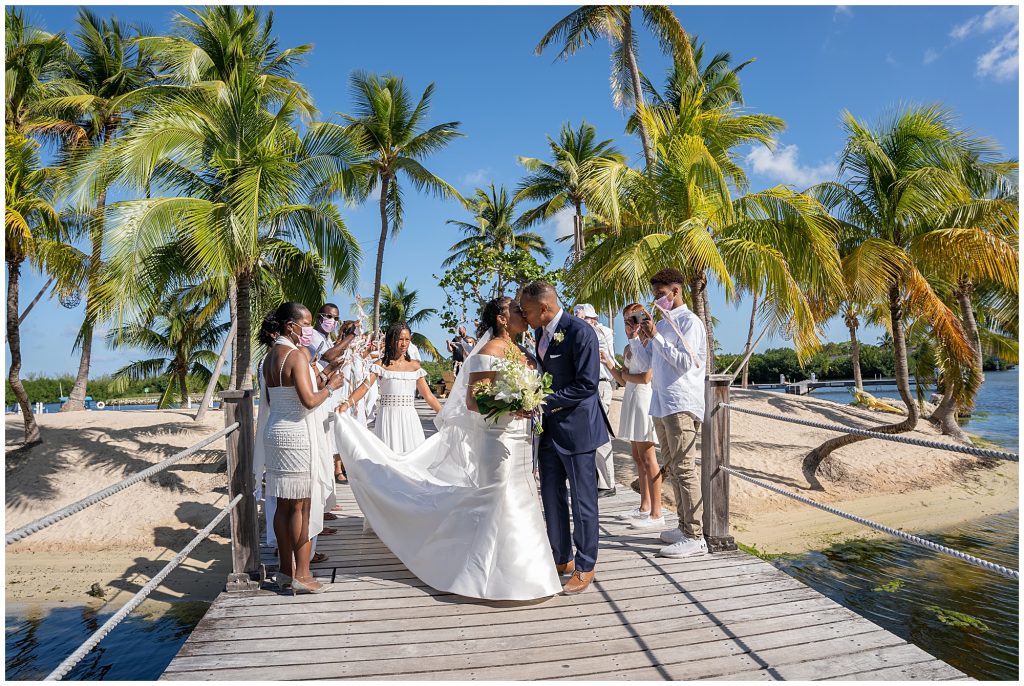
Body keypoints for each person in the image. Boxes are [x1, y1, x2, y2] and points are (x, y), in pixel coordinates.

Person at [331, 297, 562, 600]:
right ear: (501, 319)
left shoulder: (524, 352)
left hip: (521, 438)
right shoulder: (488, 352)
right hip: (497, 437)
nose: (523, 313)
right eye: (516, 310)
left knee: (522, 495)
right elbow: (473, 400)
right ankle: (476, 571)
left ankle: (528, 573)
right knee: (498, 495)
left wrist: (530, 402)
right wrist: (514, 404)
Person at [520, 282, 610, 595]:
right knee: (552, 496)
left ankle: (586, 565)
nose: (524, 316)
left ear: (543, 308)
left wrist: (540, 401)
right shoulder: (540, 332)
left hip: (578, 430)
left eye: (527, 311)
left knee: (583, 500)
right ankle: (561, 557)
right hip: (549, 431)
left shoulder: (580, 332)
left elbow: (587, 385)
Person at [257, 302, 345, 594]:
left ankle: (285, 570)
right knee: (303, 507)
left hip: (276, 432)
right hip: (297, 436)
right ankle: (303, 574)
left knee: (283, 506)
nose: (308, 330)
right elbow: (308, 400)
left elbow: (287, 394)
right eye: (306, 324)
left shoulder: (270, 357)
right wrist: (331, 387)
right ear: (289, 325)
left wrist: (324, 376)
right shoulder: (294, 355)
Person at [631, 268, 708, 558]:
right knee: (674, 468)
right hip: (662, 402)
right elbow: (650, 362)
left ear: (675, 292)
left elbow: (685, 362)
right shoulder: (663, 324)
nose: (656, 300)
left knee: (685, 469)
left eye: (660, 295)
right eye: (655, 295)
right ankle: (683, 525)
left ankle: (695, 535)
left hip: (681, 404)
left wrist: (657, 338)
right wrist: (639, 337)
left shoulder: (690, 322)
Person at [600, 303, 663, 530]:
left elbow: (646, 377)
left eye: (634, 319)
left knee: (649, 458)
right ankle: (644, 505)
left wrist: (628, 372)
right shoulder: (629, 348)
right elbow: (624, 379)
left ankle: (657, 512)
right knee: (637, 456)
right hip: (631, 398)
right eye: (627, 319)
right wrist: (609, 364)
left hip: (645, 399)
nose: (630, 324)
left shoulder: (652, 343)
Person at [339, 323, 442, 454]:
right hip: (387, 419)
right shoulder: (380, 365)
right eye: (399, 339)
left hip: (409, 419)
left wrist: (444, 414)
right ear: (391, 341)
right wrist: (347, 404)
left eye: (407, 339)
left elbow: (429, 396)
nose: (404, 344)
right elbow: (364, 388)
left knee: (412, 459)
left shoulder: (414, 366)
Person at [575, 303, 617, 496]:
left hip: (600, 383)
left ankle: (608, 483)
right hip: (585, 386)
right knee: (588, 434)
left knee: (600, 434)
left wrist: (585, 323)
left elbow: (600, 347)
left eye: (584, 318)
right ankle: (596, 479)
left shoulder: (603, 331)